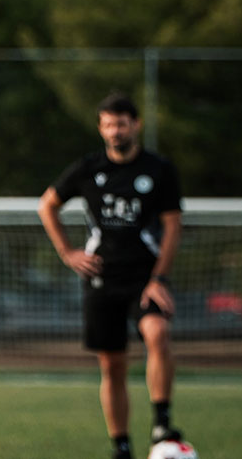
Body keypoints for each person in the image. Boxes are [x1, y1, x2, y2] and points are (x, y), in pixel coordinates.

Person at [37, 92, 183, 459]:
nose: (115, 131)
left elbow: (172, 226)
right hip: (102, 279)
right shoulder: (89, 168)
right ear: (101, 128)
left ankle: (161, 421)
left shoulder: (159, 169)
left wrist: (160, 278)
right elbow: (47, 205)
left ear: (136, 125)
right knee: (112, 365)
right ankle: (121, 446)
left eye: (121, 123)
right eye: (108, 124)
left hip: (145, 278)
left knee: (158, 333)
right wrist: (68, 252)